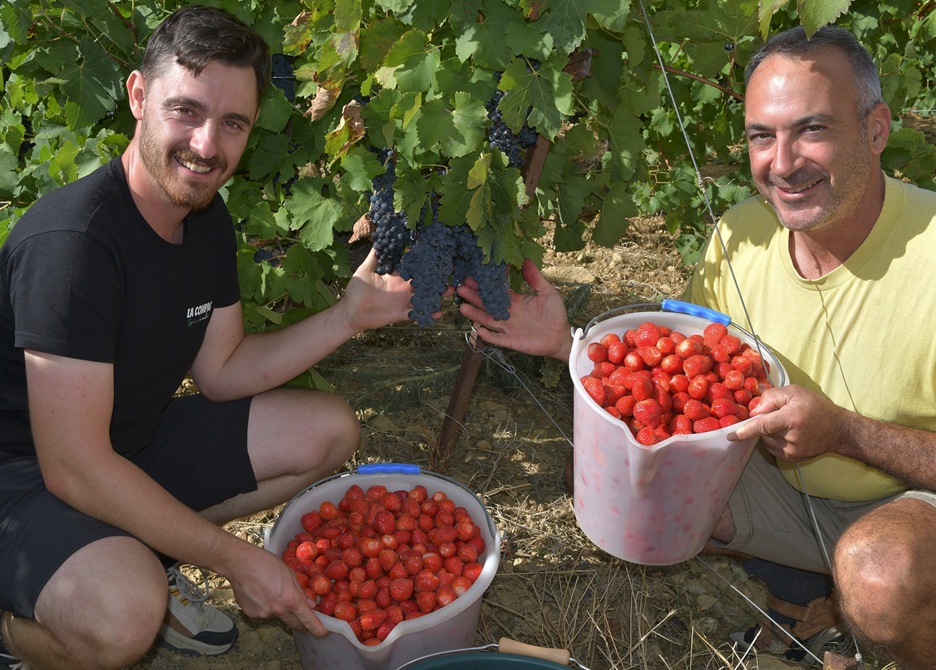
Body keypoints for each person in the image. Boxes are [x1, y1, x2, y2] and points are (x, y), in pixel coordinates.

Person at [457, 24, 936, 669]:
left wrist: (846, 433)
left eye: (813, 130)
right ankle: (810, 593)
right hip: (787, 488)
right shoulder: (741, 234)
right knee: (622, 483)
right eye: (762, 136)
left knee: (881, 573)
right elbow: (685, 382)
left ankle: (889, 616)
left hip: (911, 501)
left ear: (875, 130)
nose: (783, 162)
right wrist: (569, 344)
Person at [0, 6, 420, 669]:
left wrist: (348, 316)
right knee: (122, 617)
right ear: (138, 97)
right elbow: (74, 467)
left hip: (129, 442)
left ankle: (143, 549)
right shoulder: (73, 248)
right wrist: (233, 559)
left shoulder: (204, 218)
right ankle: (17, 630)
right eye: (186, 111)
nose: (206, 145)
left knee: (329, 430)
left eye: (232, 124)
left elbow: (222, 369)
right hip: (23, 480)